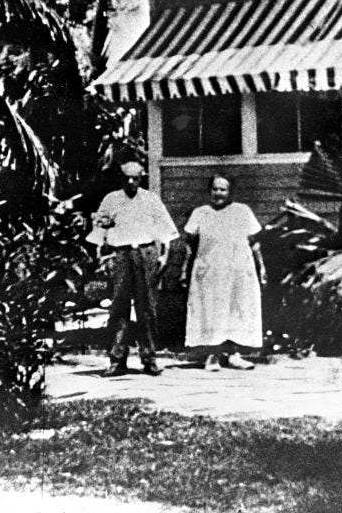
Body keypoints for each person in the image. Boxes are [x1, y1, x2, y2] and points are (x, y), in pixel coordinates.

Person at [86, 160, 179, 377]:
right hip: (120, 255)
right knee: (118, 307)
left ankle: (150, 359)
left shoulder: (151, 200)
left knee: (146, 308)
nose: (130, 181)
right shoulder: (111, 199)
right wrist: (103, 258)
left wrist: (164, 256)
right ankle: (117, 360)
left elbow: (166, 231)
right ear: (121, 178)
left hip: (145, 253)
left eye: (135, 177)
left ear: (141, 178)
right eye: (126, 177)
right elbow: (99, 232)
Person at [180, 174, 267, 371]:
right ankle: (213, 355)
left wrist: (261, 268)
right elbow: (189, 245)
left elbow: (255, 243)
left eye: (223, 189)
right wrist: (185, 270)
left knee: (237, 310)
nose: (218, 193)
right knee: (211, 311)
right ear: (209, 191)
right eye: (215, 189)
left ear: (230, 192)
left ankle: (235, 355)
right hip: (210, 272)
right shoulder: (201, 213)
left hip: (239, 271)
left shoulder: (242, 211)